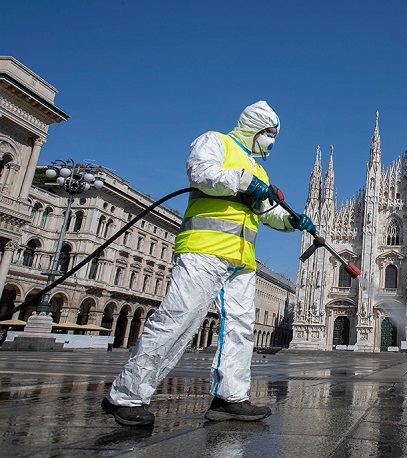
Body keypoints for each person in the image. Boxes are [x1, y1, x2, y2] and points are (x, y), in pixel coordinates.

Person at [101, 101, 315, 427]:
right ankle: (127, 395)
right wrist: (243, 181)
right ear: (254, 128)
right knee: (179, 320)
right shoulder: (216, 141)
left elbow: (264, 211)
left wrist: (291, 221)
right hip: (204, 250)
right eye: (269, 134)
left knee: (240, 332)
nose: (271, 141)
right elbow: (201, 173)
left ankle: (230, 397)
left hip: (241, 261)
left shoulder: (257, 169)